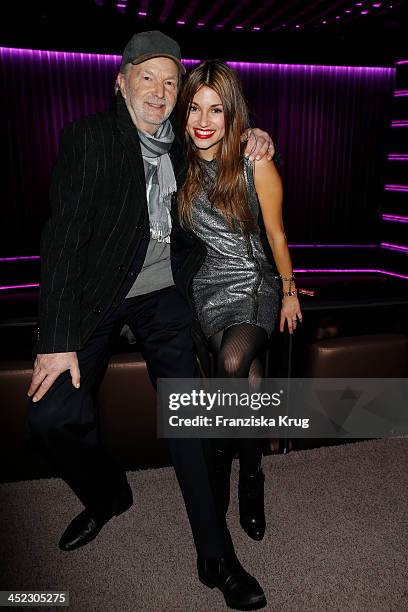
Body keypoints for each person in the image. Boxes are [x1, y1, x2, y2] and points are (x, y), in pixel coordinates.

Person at [26, 32, 275, 611]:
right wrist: (57, 339)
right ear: (121, 82)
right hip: (96, 297)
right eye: (148, 77)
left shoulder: (186, 145)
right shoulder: (89, 139)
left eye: (170, 81)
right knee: (50, 417)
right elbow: (60, 241)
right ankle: (108, 495)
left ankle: (217, 557)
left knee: (187, 412)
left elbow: (229, 142)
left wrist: (259, 139)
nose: (161, 92)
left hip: (162, 298)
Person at [177, 60, 302, 543]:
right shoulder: (176, 163)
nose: (204, 122)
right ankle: (252, 473)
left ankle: (235, 475)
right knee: (246, 386)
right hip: (208, 290)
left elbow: (276, 232)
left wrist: (289, 293)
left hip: (253, 282)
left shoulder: (255, 161)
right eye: (193, 108)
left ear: (232, 116)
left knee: (232, 362)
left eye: (215, 110)